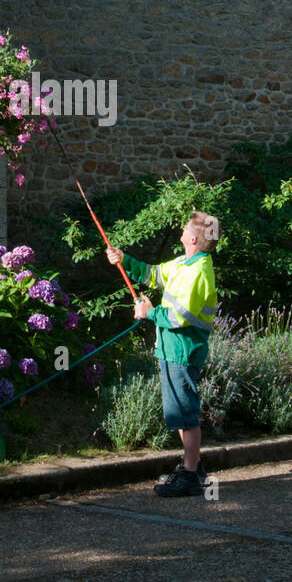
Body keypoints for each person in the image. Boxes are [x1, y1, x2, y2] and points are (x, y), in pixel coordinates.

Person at [106, 212, 220, 497]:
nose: (180, 232)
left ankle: (191, 475)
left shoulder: (199, 272)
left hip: (183, 351)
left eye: (183, 229)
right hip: (172, 349)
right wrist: (124, 259)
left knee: (186, 413)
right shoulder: (184, 263)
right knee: (179, 413)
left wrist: (149, 312)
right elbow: (154, 274)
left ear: (192, 239)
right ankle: (194, 465)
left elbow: (180, 316)